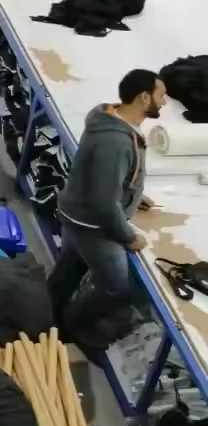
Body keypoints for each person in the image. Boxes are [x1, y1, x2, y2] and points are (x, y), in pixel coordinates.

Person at [50, 68, 163, 352]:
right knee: (116, 285)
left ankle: (48, 317)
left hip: (76, 214)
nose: (164, 101)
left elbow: (102, 175)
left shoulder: (109, 120)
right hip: (95, 227)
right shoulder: (116, 141)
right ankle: (73, 325)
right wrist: (128, 237)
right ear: (144, 97)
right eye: (161, 95)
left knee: (69, 268)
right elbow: (104, 203)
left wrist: (133, 191)